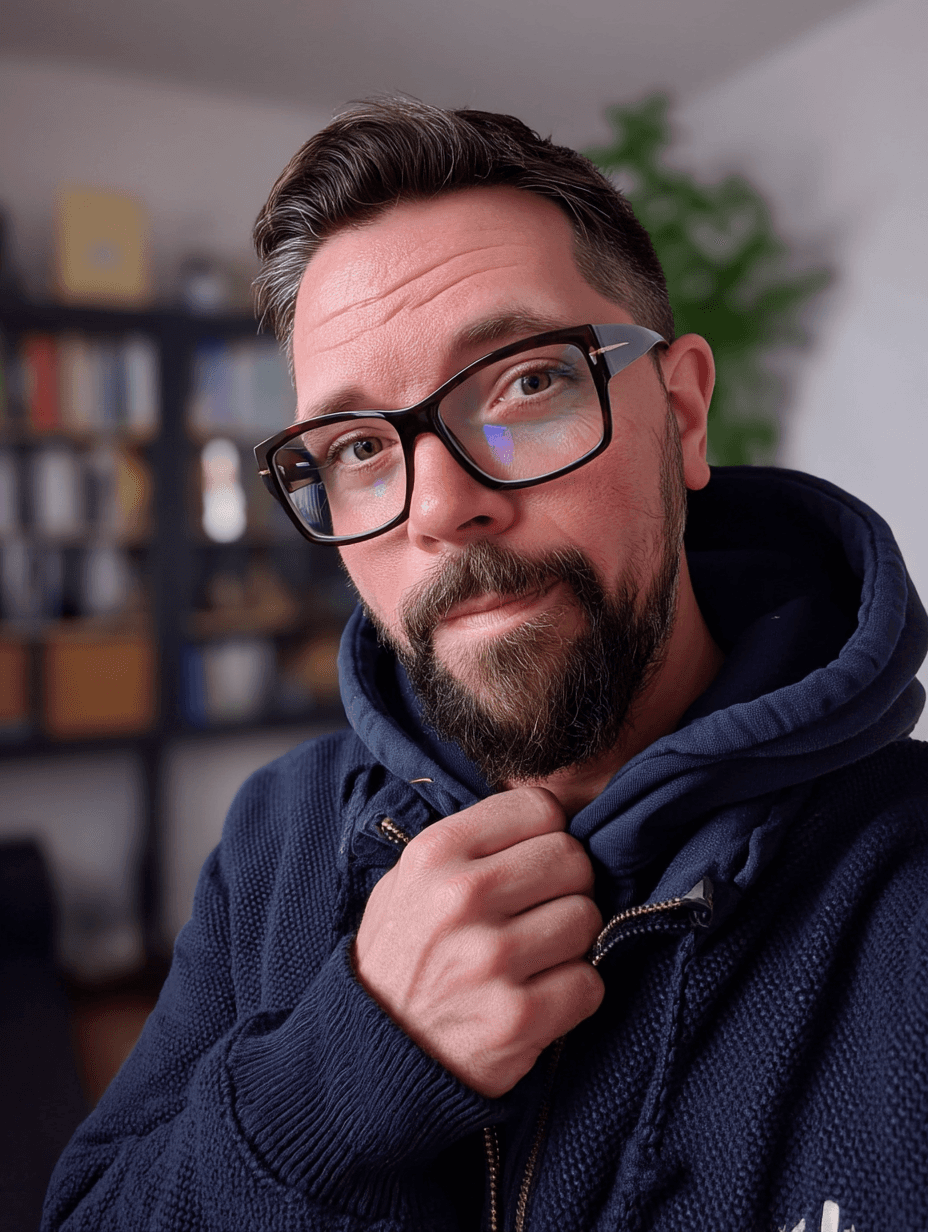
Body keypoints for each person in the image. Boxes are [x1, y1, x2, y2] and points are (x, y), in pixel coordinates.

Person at [44, 99, 928, 1232]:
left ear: (682, 414)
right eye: (358, 447)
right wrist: (341, 1079)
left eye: (524, 384)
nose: (441, 508)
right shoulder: (278, 838)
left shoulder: (902, 888)